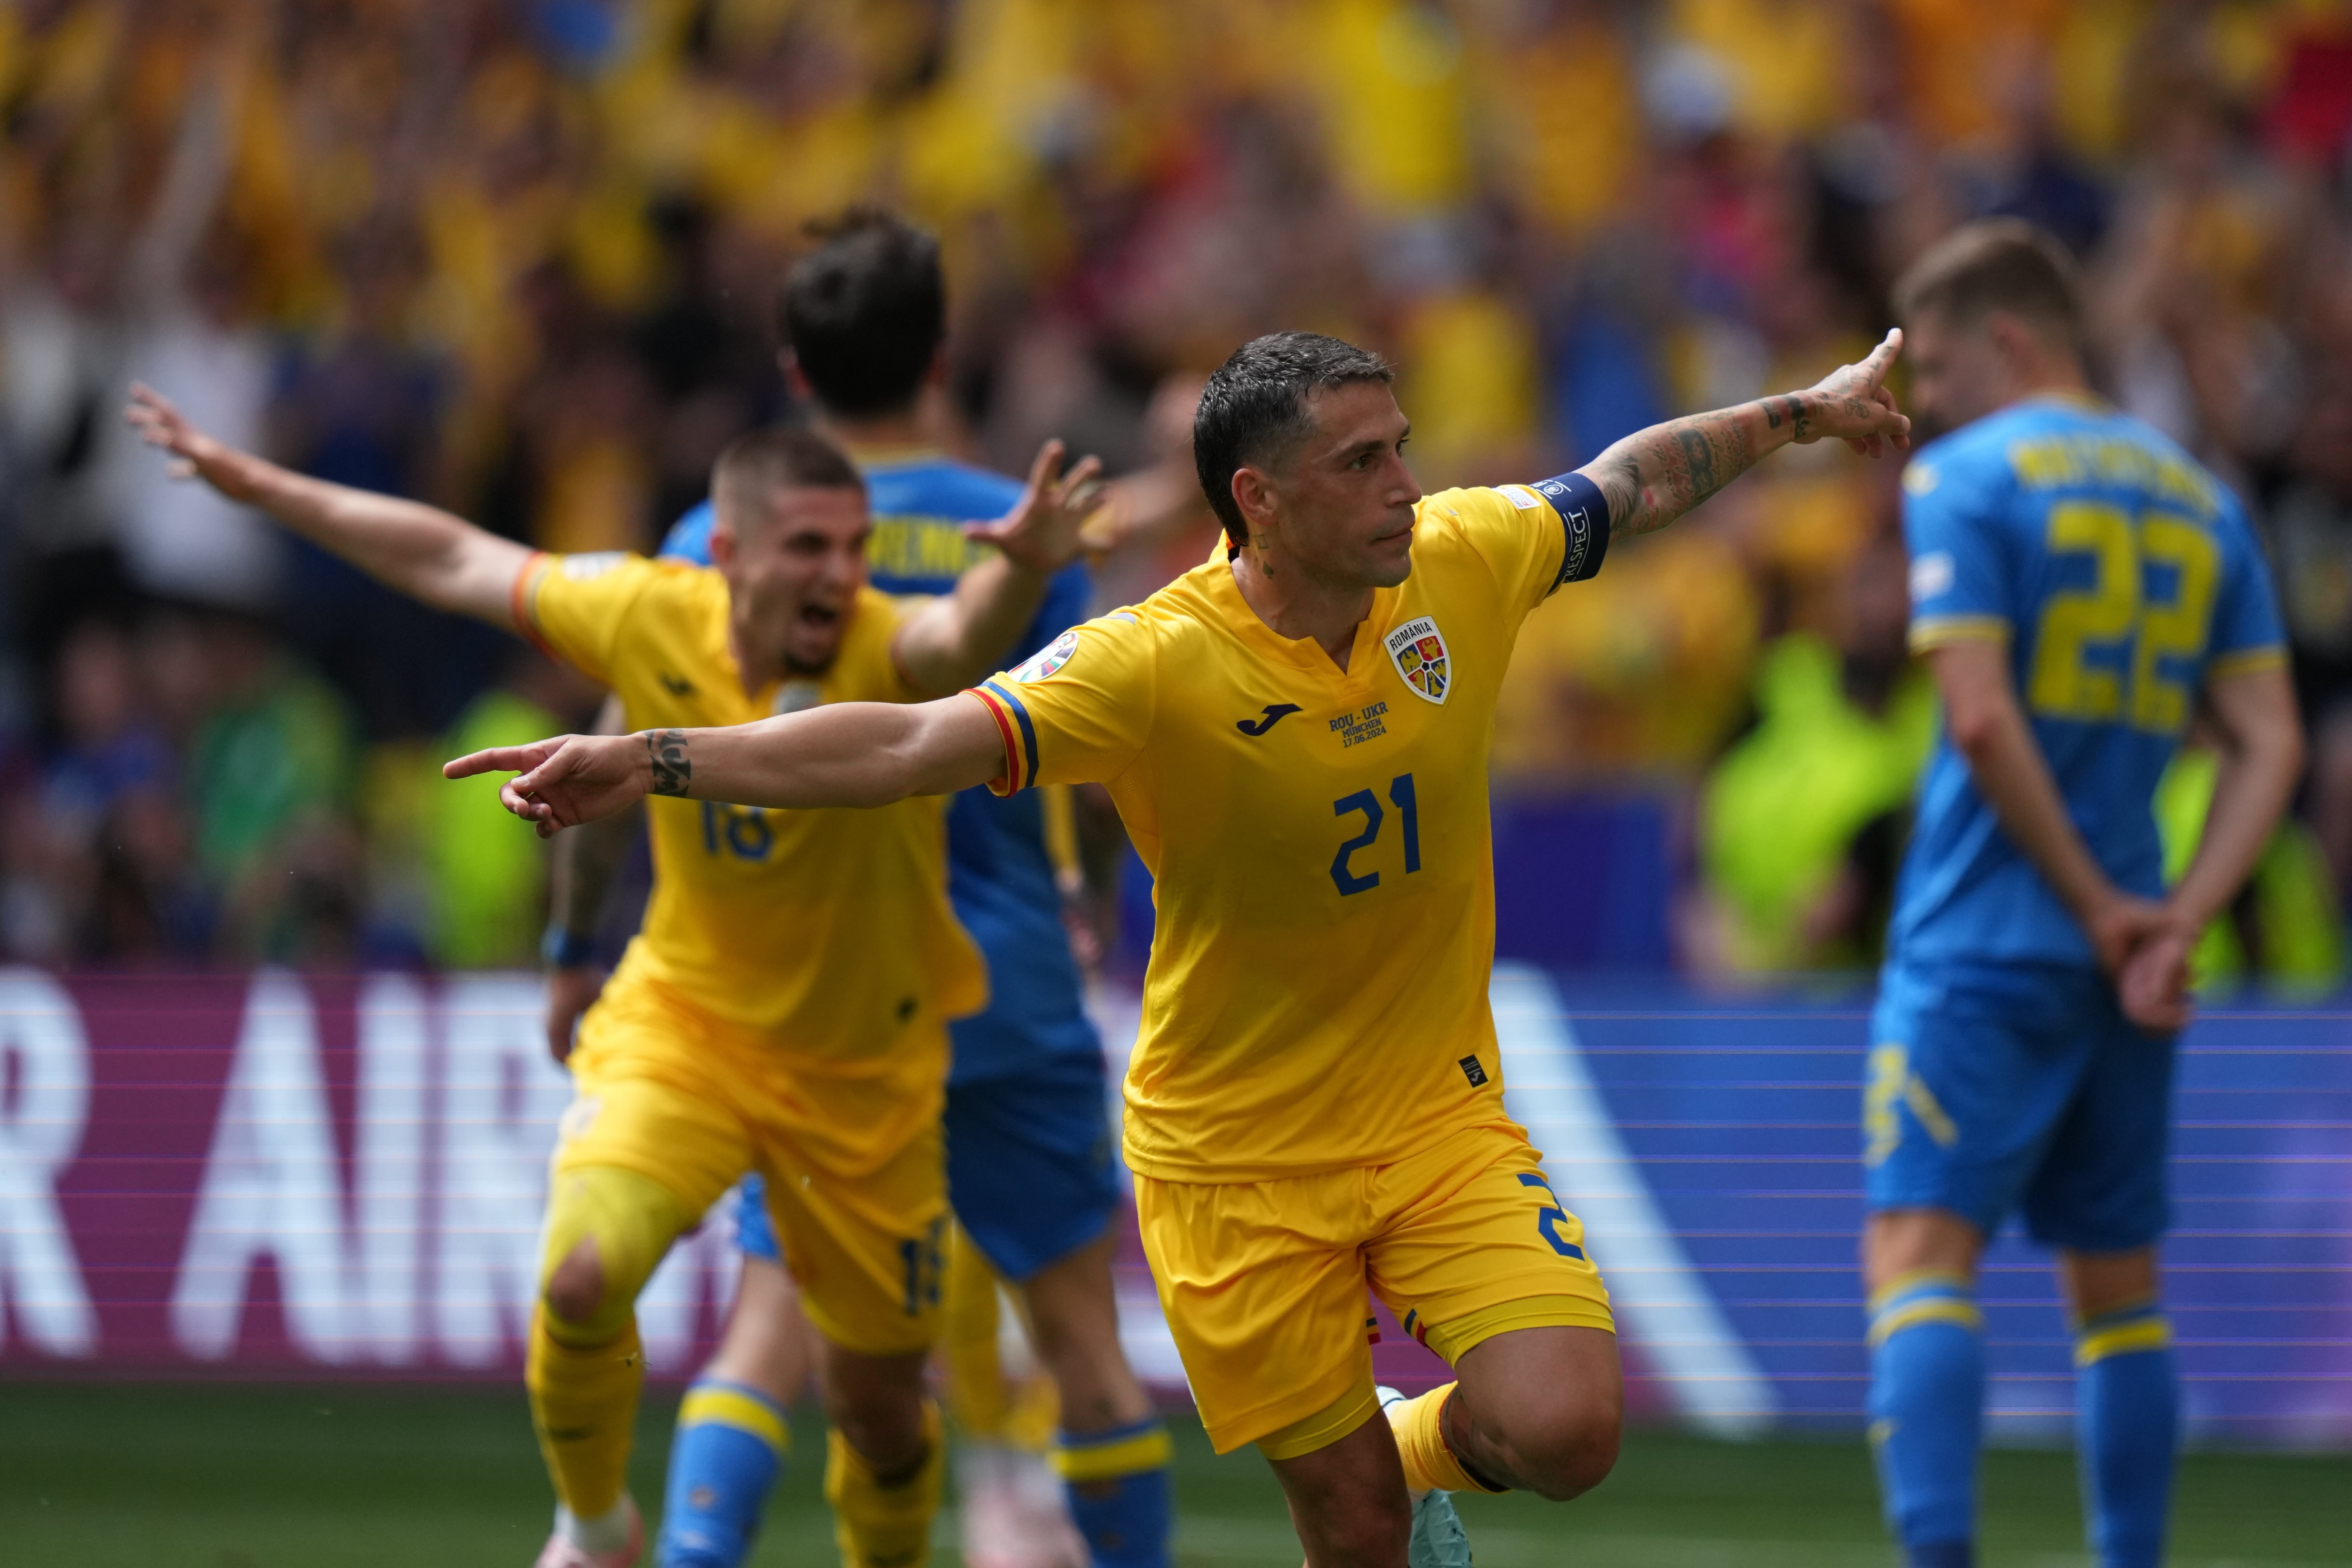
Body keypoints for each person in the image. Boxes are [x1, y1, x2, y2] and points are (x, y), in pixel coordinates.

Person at [451, 327, 1915, 1567]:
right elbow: (905, 739)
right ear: (1259, 501)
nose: (1407, 484)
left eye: (1401, 446)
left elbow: (1629, 482)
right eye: (1364, 462)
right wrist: (655, 755)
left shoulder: (1466, 558)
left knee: (1568, 1426)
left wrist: (1799, 411)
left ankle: (1407, 1454)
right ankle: (1372, 1482)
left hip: (1435, 1112)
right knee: (1346, 1535)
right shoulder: (1151, 662)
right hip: (1233, 1157)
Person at [125, 382, 1102, 1568]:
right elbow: (450, 556)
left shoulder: (882, 644)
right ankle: (595, 1530)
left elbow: (958, 639)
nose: (842, 575)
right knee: (584, 1276)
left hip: (868, 1068)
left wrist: (1018, 570)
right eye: (809, 547)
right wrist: (256, 485)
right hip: (686, 1023)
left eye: (852, 548)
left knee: (882, 1411)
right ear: (728, 552)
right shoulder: (647, 613)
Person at [541, 208, 1169, 1568]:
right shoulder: (1015, 531)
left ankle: (679, 1545)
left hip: (816, 994)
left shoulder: (724, 525)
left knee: (770, 1329)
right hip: (1004, 969)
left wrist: (572, 942)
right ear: (942, 356)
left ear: (795, 369)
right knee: (1082, 1345)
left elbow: (626, 740)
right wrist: (1092, 897)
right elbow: (1091, 741)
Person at [1864, 220, 2304, 1568]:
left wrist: (2092, 902)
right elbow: (2269, 741)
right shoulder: (2200, 495)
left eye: (1933, 367)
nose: (1920, 401)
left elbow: (1983, 725)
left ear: (2007, 340)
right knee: (2118, 1292)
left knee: (1921, 1255)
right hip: (2135, 957)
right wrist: (2167, 914)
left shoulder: (1966, 478)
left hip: (1983, 941)